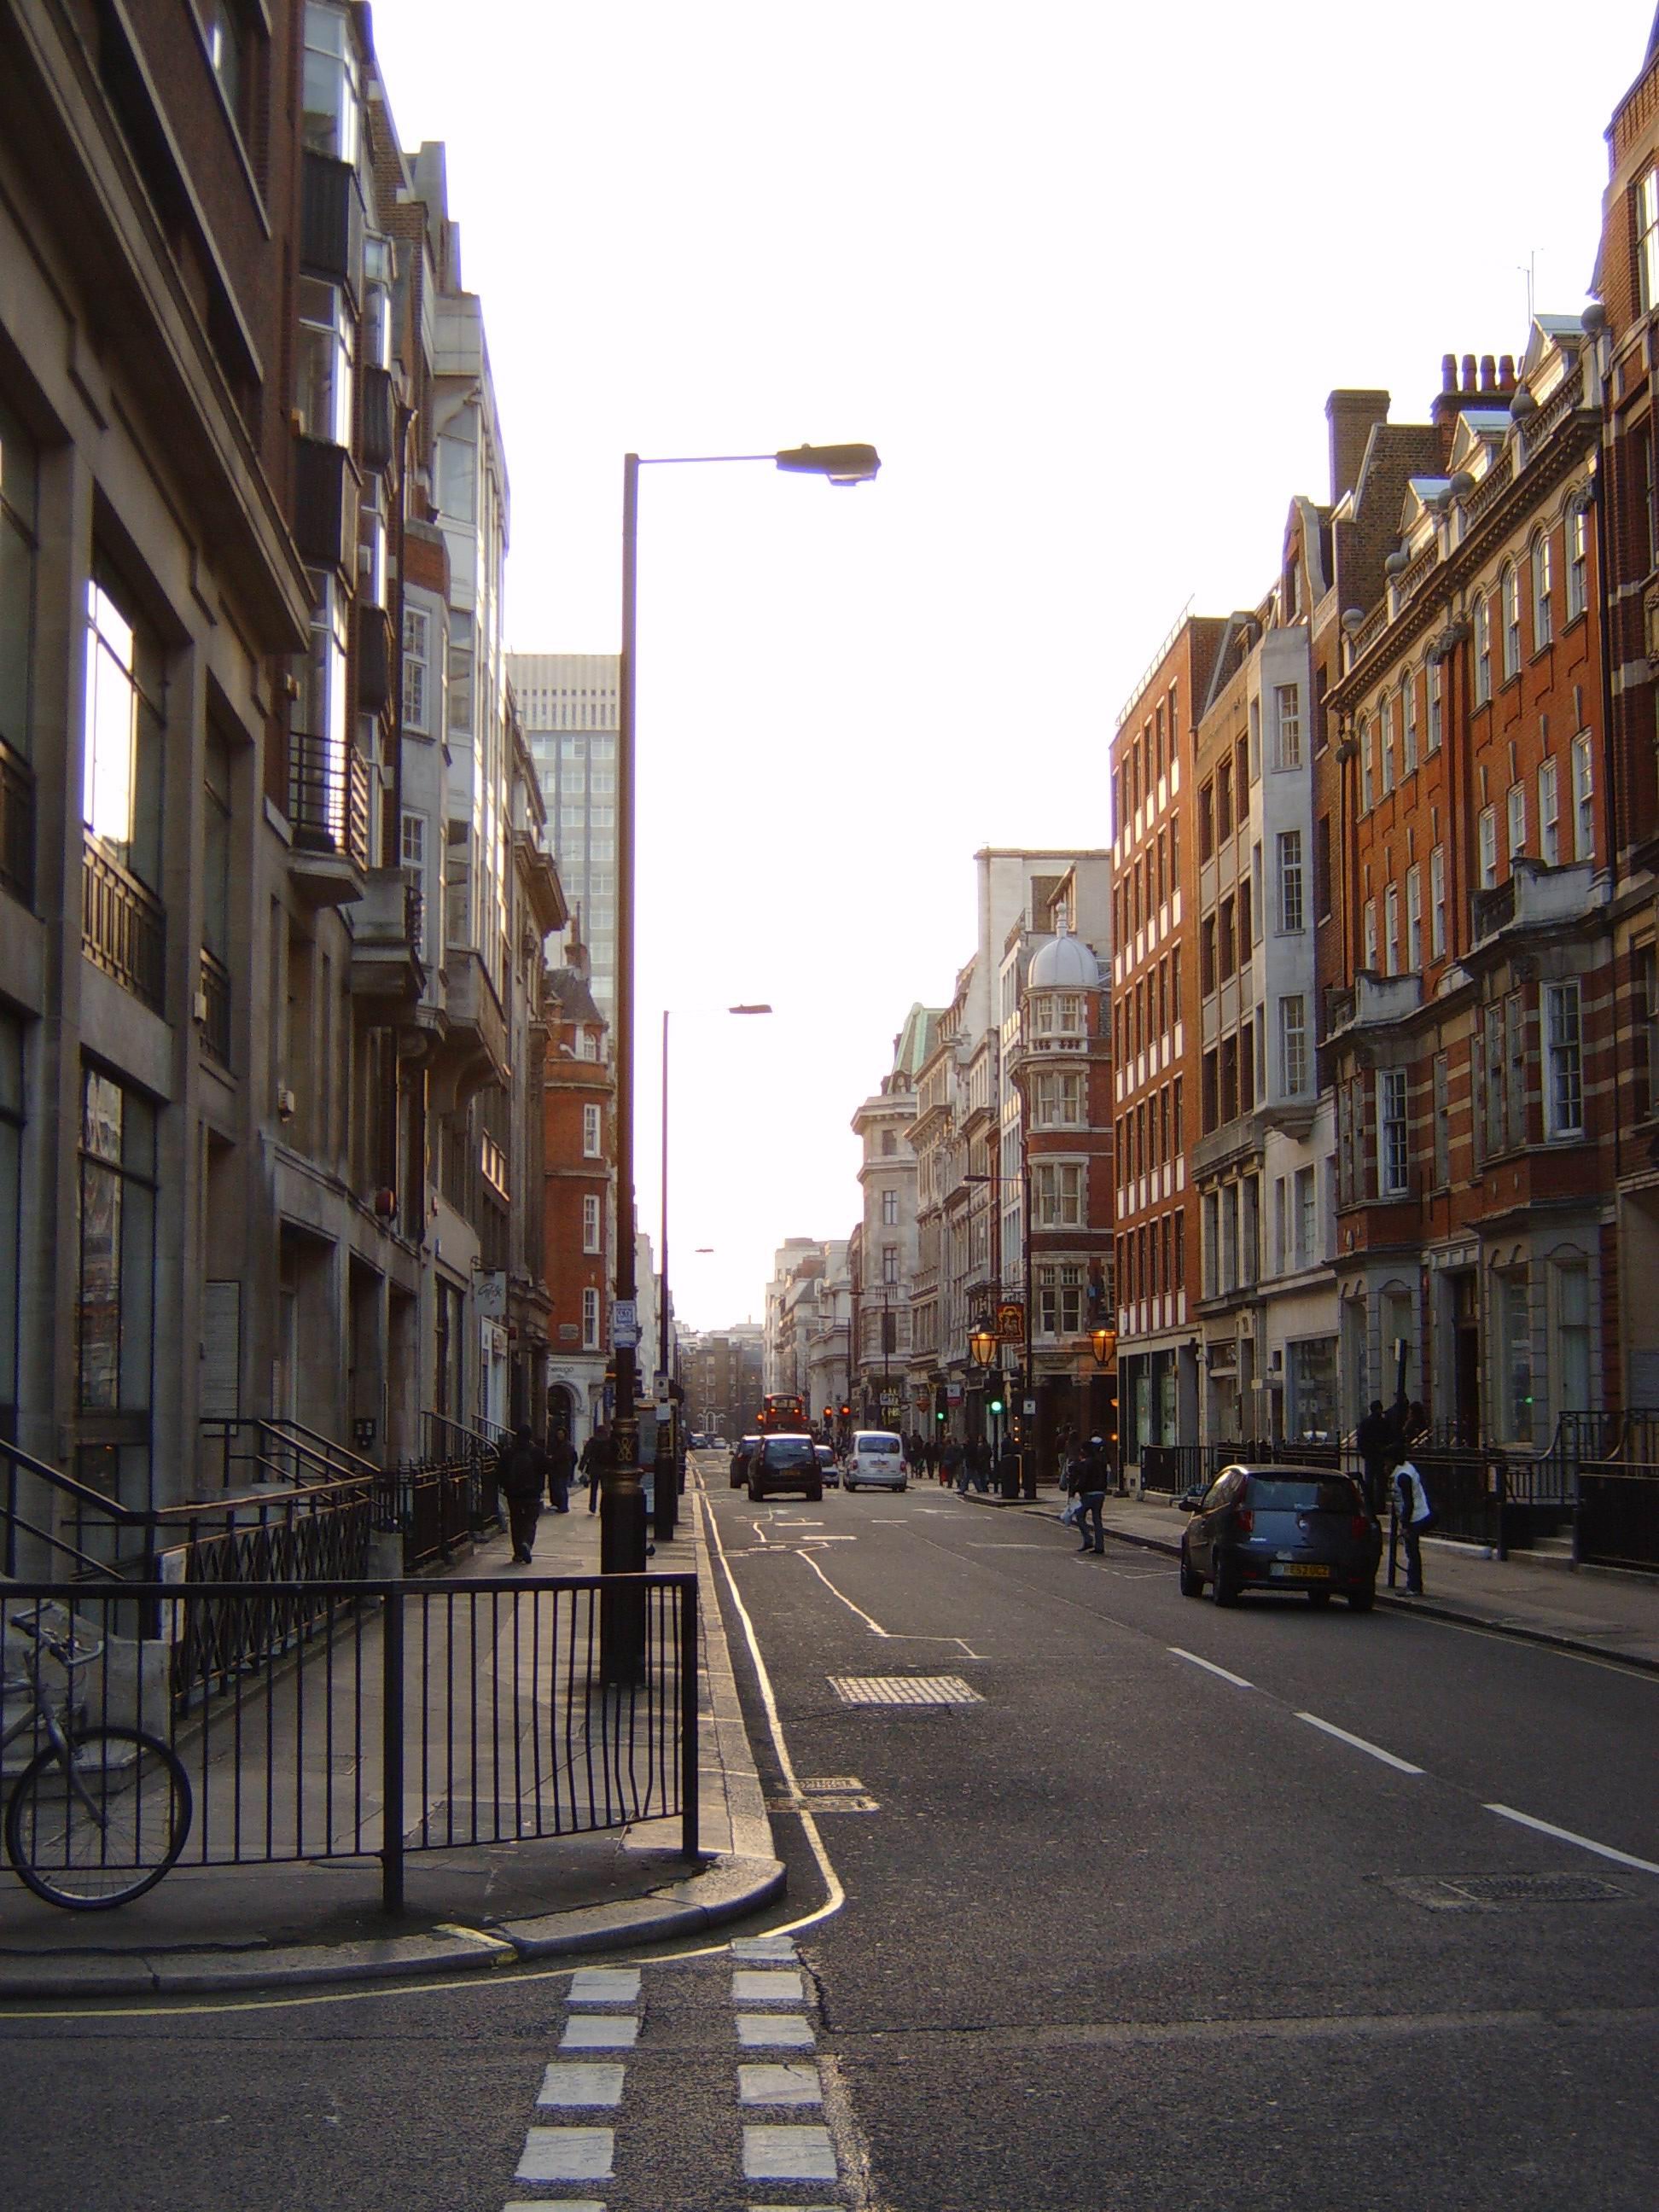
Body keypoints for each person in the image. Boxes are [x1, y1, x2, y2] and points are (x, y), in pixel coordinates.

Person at [498, 1423, 548, 1563]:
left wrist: (505, 1487)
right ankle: (527, 1542)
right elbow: (545, 1469)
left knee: (516, 1521)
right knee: (530, 1521)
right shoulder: (537, 1452)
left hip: (514, 1494)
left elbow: (500, 1471)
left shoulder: (509, 1452)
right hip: (532, 1493)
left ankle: (518, 1552)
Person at [1394, 1455, 1433, 1594]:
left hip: (1415, 1517)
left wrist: (1405, 1525)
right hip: (1421, 1513)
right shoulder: (1408, 1468)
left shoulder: (1403, 1476)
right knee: (1412, 1552)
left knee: (1412, 1552)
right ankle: (1414, 1585)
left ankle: (1414, 1586)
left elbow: (1408, 1502)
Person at [1068, 1436, 1109, 1555]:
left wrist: (1075, 1490)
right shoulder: (1100, 1462)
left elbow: (1083, 1480)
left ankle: (1088, 1539)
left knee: (1079, 1515)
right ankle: (1100, 1546)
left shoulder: (1086, 1464)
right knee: (1097, 1520)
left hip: (1089, 1494)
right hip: (1100, 1494)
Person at [1356, 1399, 1393, 1516]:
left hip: (1370, 1455)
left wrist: (1363, 1452)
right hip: (1380, 1454)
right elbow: (1389, 1438)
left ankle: (1369, 1506)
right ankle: (1379, 1506)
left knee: (1369, 1481)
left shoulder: (1366, 1423)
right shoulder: (1384, 1423)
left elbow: (1360, 1438)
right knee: (1380, 1482)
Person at [580, 1423, 611, 1514]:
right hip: (605, 1469)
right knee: (605, 1489)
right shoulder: (609, 1441)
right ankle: (603, 1507)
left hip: (594, 1468)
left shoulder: (592, 1441)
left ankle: (592, 1506)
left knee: (593, 1489)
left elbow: (586, 1454)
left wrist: (582, 1466)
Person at [545, 1424, 577, 1513]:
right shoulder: (555, 1444)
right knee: (557, 1488)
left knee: (562, 1488)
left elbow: (569, 1457)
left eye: (561, 1434)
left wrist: (553, 1458)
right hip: (555, 1470)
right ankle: (558, 1504)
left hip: (563, 1470)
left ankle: (563, 1506)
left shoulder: (568, 1445)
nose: (560, 1436)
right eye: (558, 1434)